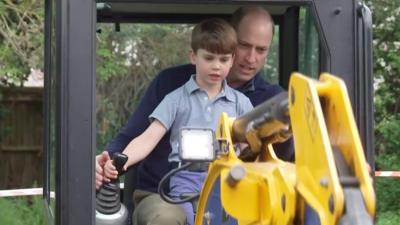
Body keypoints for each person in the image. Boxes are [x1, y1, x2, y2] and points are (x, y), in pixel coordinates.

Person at [96, 6, 294, 225]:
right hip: (171, 189)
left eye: (261, 49)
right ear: (194, 56)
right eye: (245, 45)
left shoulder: (264, 102)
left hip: (231, 187)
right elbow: (142, 136)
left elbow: (260, 150)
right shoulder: (172, 90)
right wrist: (109, 163)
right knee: (172, 218)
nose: (251, 58)